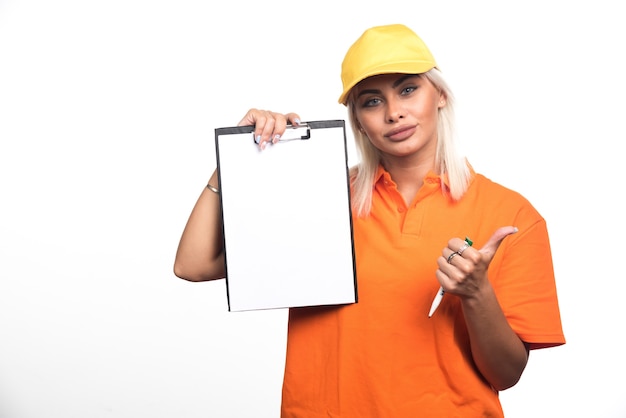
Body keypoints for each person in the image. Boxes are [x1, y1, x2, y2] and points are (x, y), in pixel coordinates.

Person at [174, 23, 565, 417]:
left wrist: (477, 294)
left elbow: (506, 374)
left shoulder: (512, 215)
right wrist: (234, 158)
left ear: (441, 95)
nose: (394, 112)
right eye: (372, 101)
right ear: (358, 119)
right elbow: (192, 265)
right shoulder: (320, 201)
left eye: (408, 89)